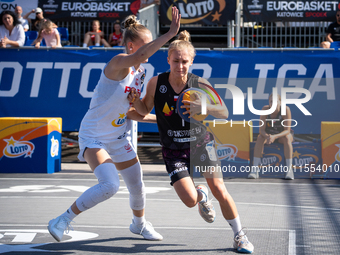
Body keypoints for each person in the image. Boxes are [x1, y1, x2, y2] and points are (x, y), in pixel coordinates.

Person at [47, 7, 181, 243]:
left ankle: (139, 225)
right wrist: (170, 33)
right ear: (131, 46)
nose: (152, 48)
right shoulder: (118, 63)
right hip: (94, 136)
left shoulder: (140, 74)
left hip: (118, 137)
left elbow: (133, 112)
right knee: (109, 184)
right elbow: (139, 57)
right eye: (147, 43)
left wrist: (165, 120)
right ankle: (62, 220)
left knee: (137, 185)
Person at [128, 30, 254, 254]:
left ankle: (240, 235)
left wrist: (203, 107)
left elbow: (223, 112)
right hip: (173, 150)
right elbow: (144, 109)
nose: (180, 66)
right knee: (189, 201)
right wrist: (134, 101)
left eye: (185, 61)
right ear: (168, 59)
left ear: (191, 61)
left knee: (219, 189)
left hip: (201, 144)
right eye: (175, 61)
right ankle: (200, 194)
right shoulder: (156, 83)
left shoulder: (199, 84)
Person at [248, 94, 294, 180]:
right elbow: (261, 130)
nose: (273, 104)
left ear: (280, 102)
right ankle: (255, 170)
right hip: (269, 135)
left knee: (287, 137)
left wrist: (274, 137)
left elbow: (287, 130)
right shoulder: (265, 109)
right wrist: (268, 137)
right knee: (260, 138)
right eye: (271, 101)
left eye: (276, 101)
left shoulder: (286, 110)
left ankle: (289, 170)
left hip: (281, 135)